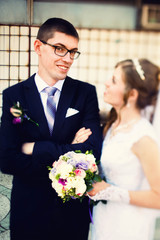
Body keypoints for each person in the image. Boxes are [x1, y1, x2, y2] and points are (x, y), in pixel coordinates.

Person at [0, 18, 102, 240]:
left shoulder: (85, 94)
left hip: (71, 216)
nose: (67, 59)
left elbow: (92, 152)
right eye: (59, 49)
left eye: (72, 52)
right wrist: (71, 150)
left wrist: (36, 148)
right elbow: (7, 158)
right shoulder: (15, 97)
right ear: (38, 47)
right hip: (28, 212)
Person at [86, 58, 160, 240]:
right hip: (105, 219)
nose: (106, 83)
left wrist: (110, 191)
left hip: (127, 226)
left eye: (114, 80)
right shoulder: (114, 125)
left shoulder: (143, 138)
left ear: (132, 94)